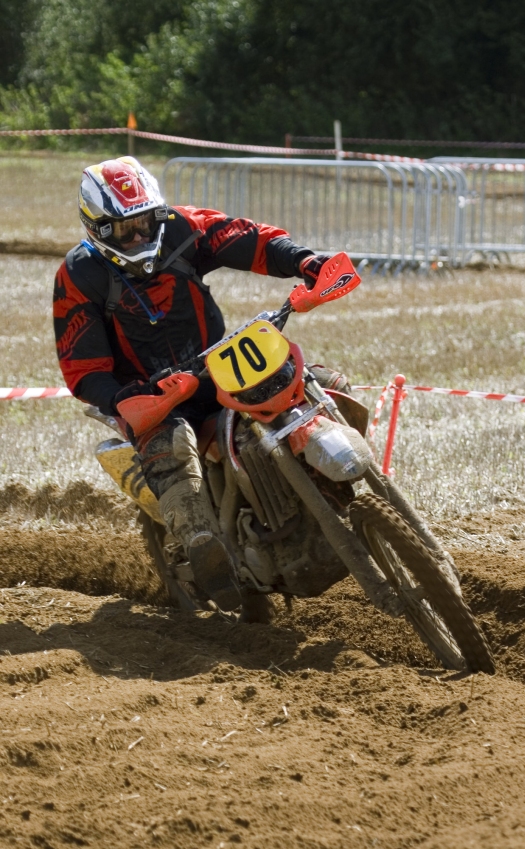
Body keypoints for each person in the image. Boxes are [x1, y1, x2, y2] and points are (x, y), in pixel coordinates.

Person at [53, 156, 351, 614]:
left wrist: (303, 260)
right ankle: (202, 543)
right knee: (171, 446)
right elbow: (82, 366)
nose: (140, 237)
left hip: (217, 367)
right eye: (125, 229)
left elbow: (250, 240)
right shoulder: (78, 275)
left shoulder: (183, 227)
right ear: (98, 228)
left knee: (321, 383)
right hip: (151, 395)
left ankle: (342, 491)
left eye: (147, 223)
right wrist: (121, 398)